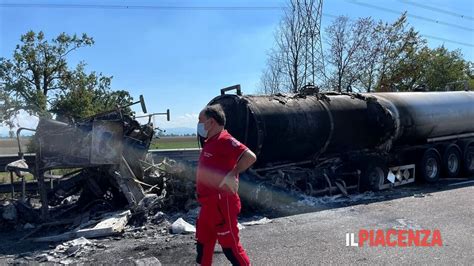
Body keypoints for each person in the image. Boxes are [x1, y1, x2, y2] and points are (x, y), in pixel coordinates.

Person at [195, 104, 257, 266]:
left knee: (231, 248)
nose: (199, 125)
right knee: (203, 245)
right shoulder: (211, 141)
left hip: (222, 204)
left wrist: (232, 173)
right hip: (207, 205)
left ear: (211, 122)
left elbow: (250, 157)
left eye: (200, 121)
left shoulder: (225, 140)